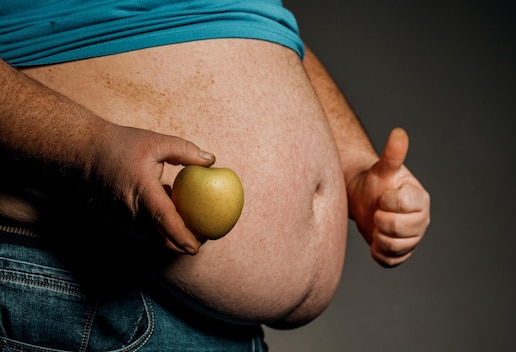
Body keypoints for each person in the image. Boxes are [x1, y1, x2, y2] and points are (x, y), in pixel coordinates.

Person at [0, 1, 430, 350]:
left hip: (220, 328)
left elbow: (252, 20)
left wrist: (353, 163)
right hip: (91, 285)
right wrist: (89, 152)